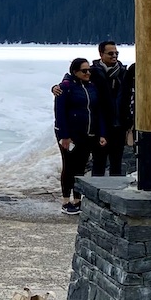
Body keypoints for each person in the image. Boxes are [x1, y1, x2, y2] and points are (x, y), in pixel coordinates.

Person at [54, 56, 107, 214]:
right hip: (70, 134)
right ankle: (65, 199)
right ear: (75, 72)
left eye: (89, 70)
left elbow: (98, 112)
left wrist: (102, 133)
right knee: (69, 165)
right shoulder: (66, 87)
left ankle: (77, 199)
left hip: (88, 133)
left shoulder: (91, 87)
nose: (88, 73)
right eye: (84, 71)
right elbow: (60, 112)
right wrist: (64, 135)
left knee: (80, 166)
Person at [90, 41, 133, 177]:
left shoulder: (124, 73)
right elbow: (73, 78)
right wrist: (57, 87)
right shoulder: (93, 73)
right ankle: (95, 194)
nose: (114, 56)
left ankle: (114, 192)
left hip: (119, 124)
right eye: (110, 53)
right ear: (101, 54)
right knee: (99, 162)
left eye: (116, 53)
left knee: (117, 162)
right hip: (100, 125)